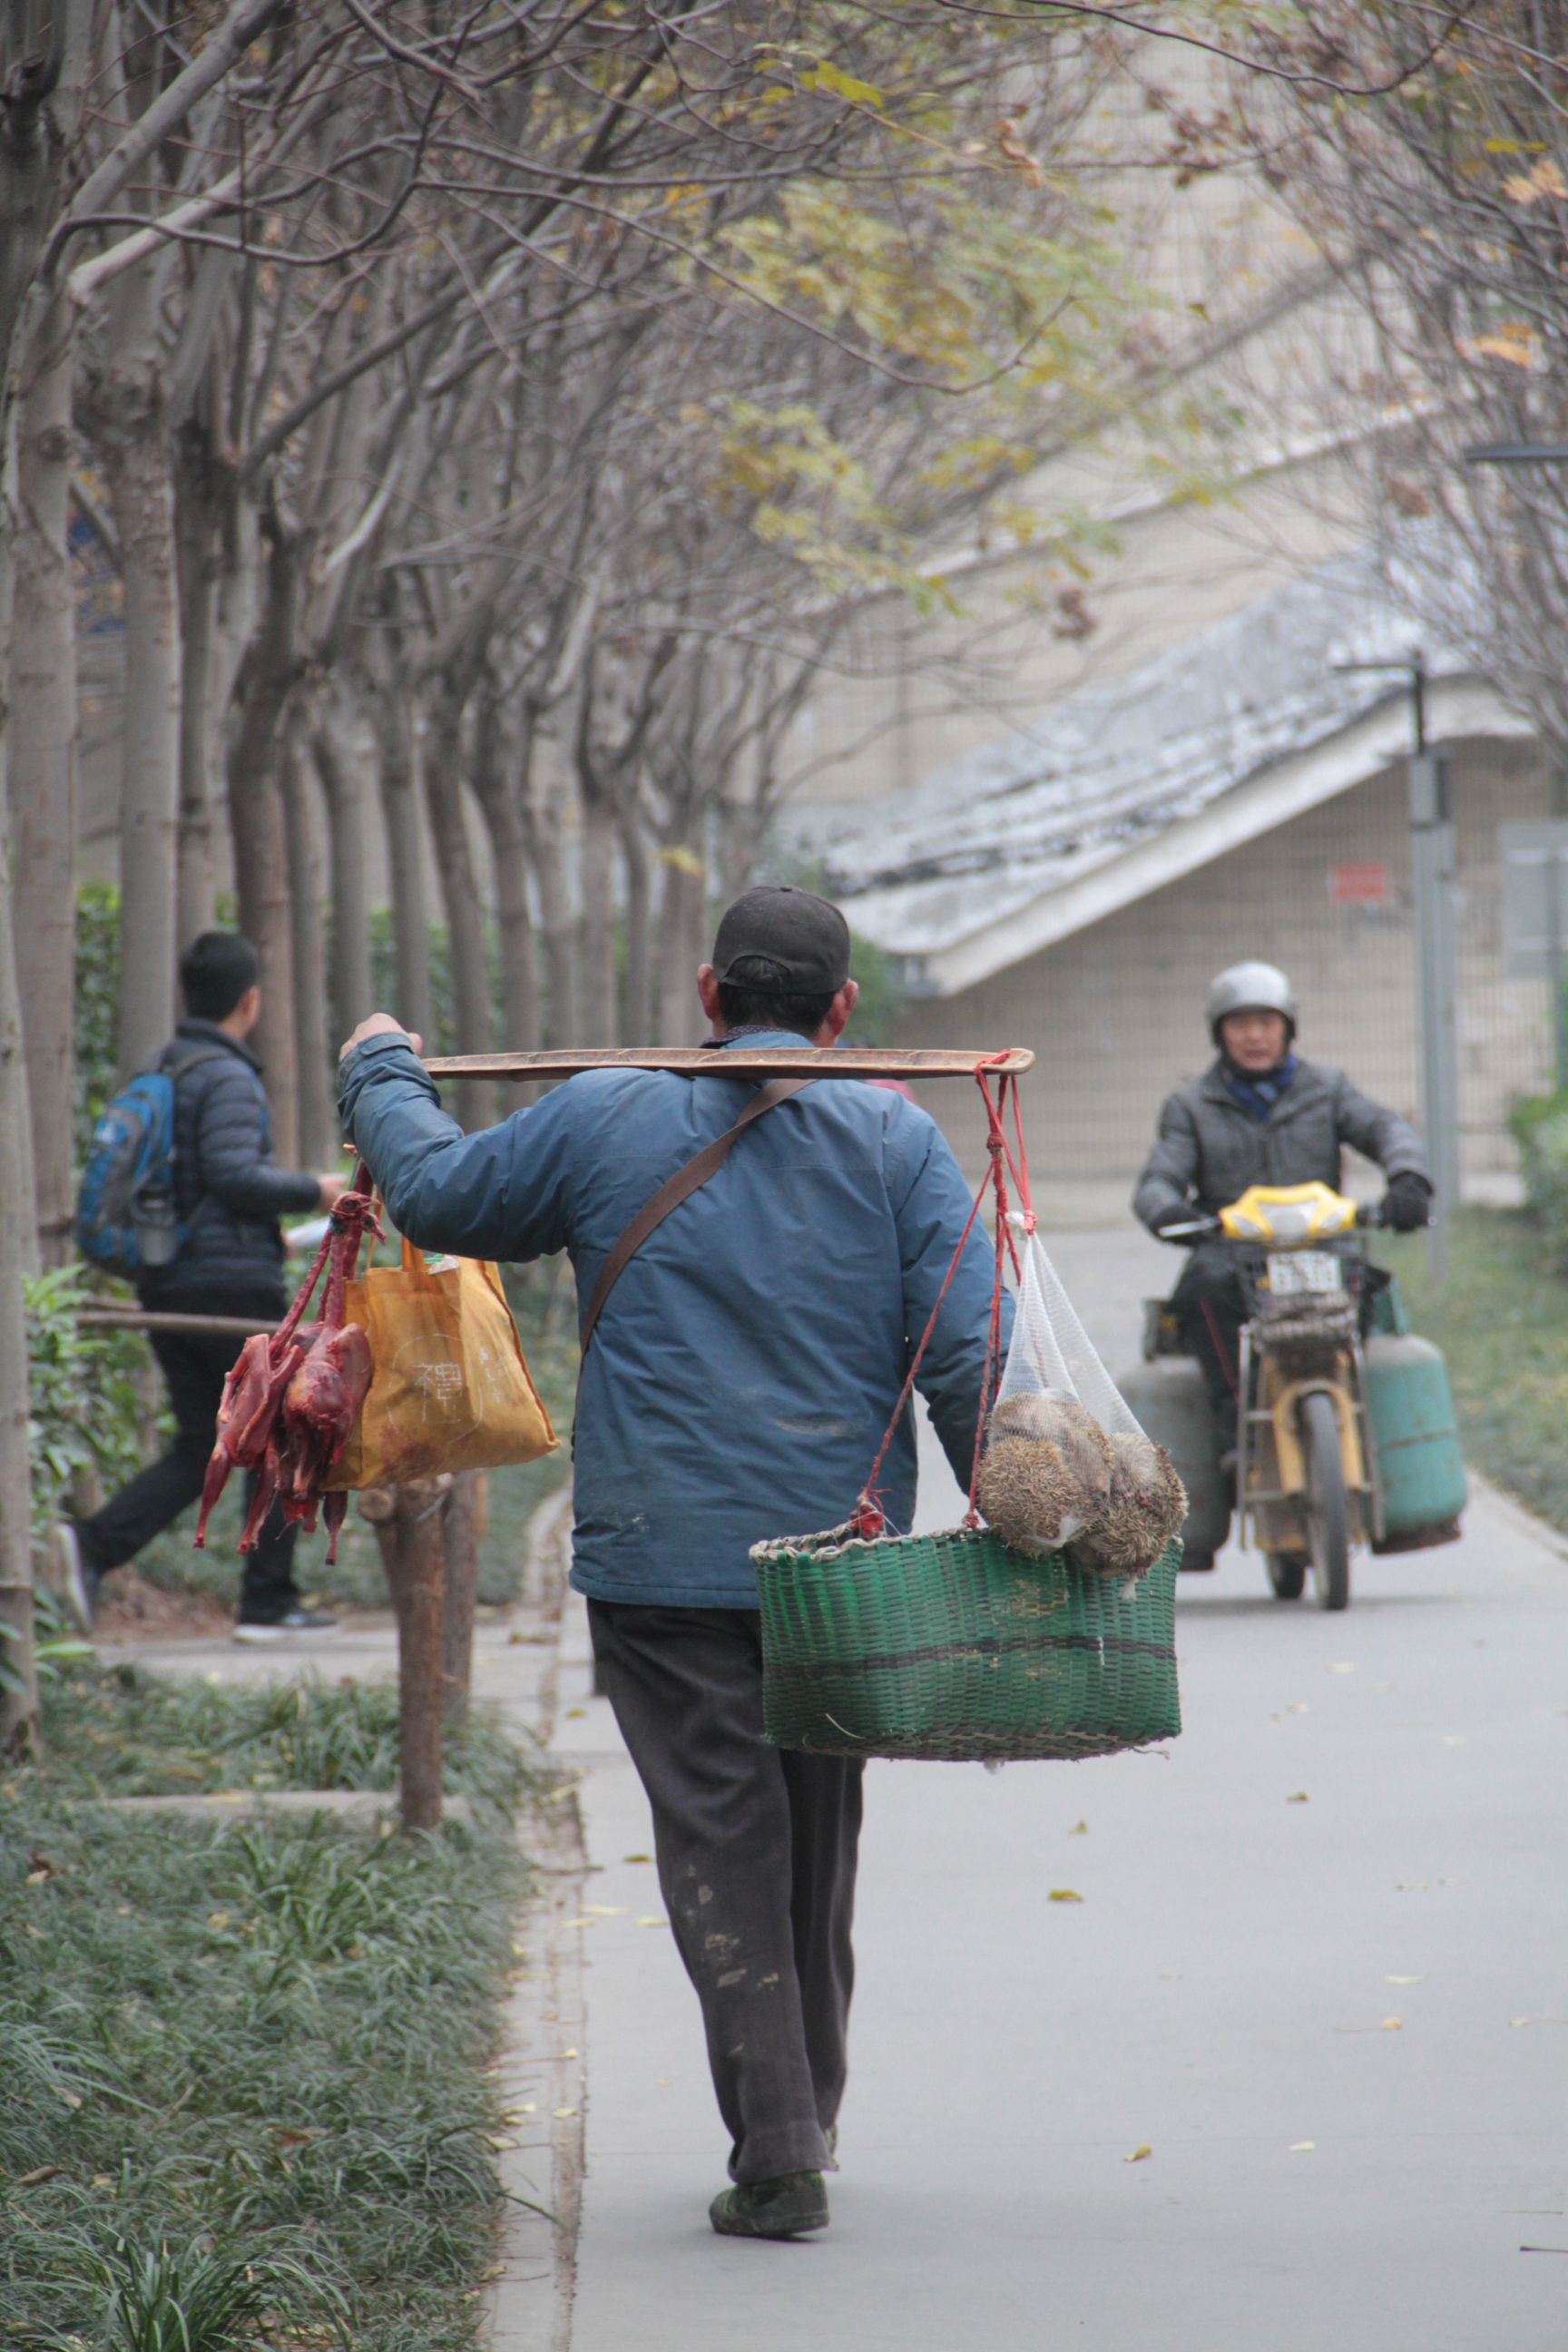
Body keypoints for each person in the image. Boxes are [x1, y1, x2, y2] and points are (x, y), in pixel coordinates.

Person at [336, 885, 1002, 2241]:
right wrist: (1022, 1518)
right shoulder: (895, 1134)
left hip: (665, 1558)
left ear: (709, 997)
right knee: (816, 1836)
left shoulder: (606, 1109)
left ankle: (779, 2142)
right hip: (846, 1558)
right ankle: (798, 2111)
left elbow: (445, 1193)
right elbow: (968, 1352)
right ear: (841, 1011)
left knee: (722, 1836)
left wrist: (380, 1071)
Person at [51, 931, 348, 1642]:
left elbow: (197, 1189)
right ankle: (268, 1602)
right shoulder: (228, 1077)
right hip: (226, 1292)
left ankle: (92, 1548)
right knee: (285, 1432)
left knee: (200, 1444)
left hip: (172, 1283)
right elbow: (232, 1174)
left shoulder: (168, 1068)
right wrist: (316, 1188)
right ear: (250, 999)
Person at [1132, 960, 1432, 1561]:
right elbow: (1159, 1179)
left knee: (1364, 1282)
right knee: (1203, 1292)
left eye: (1266, 1021)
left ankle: (1361, 1422)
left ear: (1288, 1027)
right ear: (1219, 1032)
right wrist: (1168, 1211)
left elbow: (1386, 1130)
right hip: (1232, 1252)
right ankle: (1233, 1430)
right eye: (1239, 1023)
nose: (1254, 1035)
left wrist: (1408, 1178)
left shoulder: (1328, 1087)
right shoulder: (1190, 1104)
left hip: (1323, 1246)